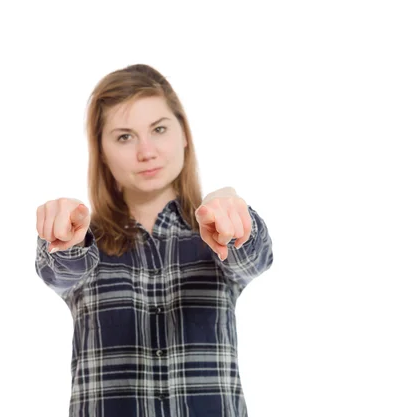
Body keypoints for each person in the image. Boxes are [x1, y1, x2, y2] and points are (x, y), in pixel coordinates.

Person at [34, 64, 274, 417]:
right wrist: (63, 239)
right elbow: (59, 271)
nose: (146, 151)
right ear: (101, 151)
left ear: (184, 135)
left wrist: (236, 218)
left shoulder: (215, 233)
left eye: (159, 129)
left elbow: (255, 257)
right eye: (124, 136)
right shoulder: (84, 240)